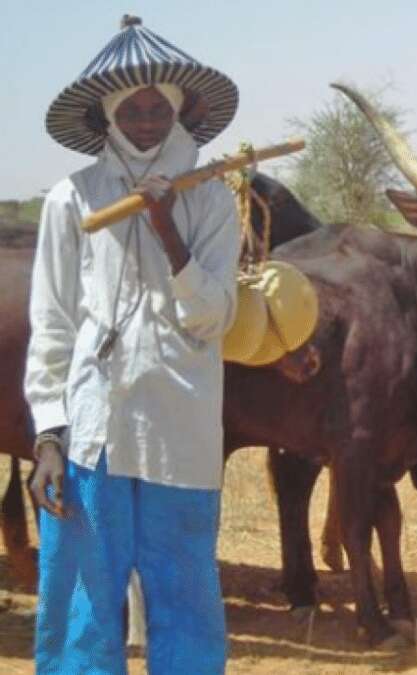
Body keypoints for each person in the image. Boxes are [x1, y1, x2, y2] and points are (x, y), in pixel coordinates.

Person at [25, 15, 241, 672]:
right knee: (84, 603)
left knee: (186, 599)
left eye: (158, 108)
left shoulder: (211, 199)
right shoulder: (74, 199)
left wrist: (166, 227)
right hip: (96, 432)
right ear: (108, 116)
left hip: (182, 433)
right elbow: (54, 320)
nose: (146, 120)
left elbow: (214, 318)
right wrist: (47, 436)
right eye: (132, 109)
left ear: (180, 115)